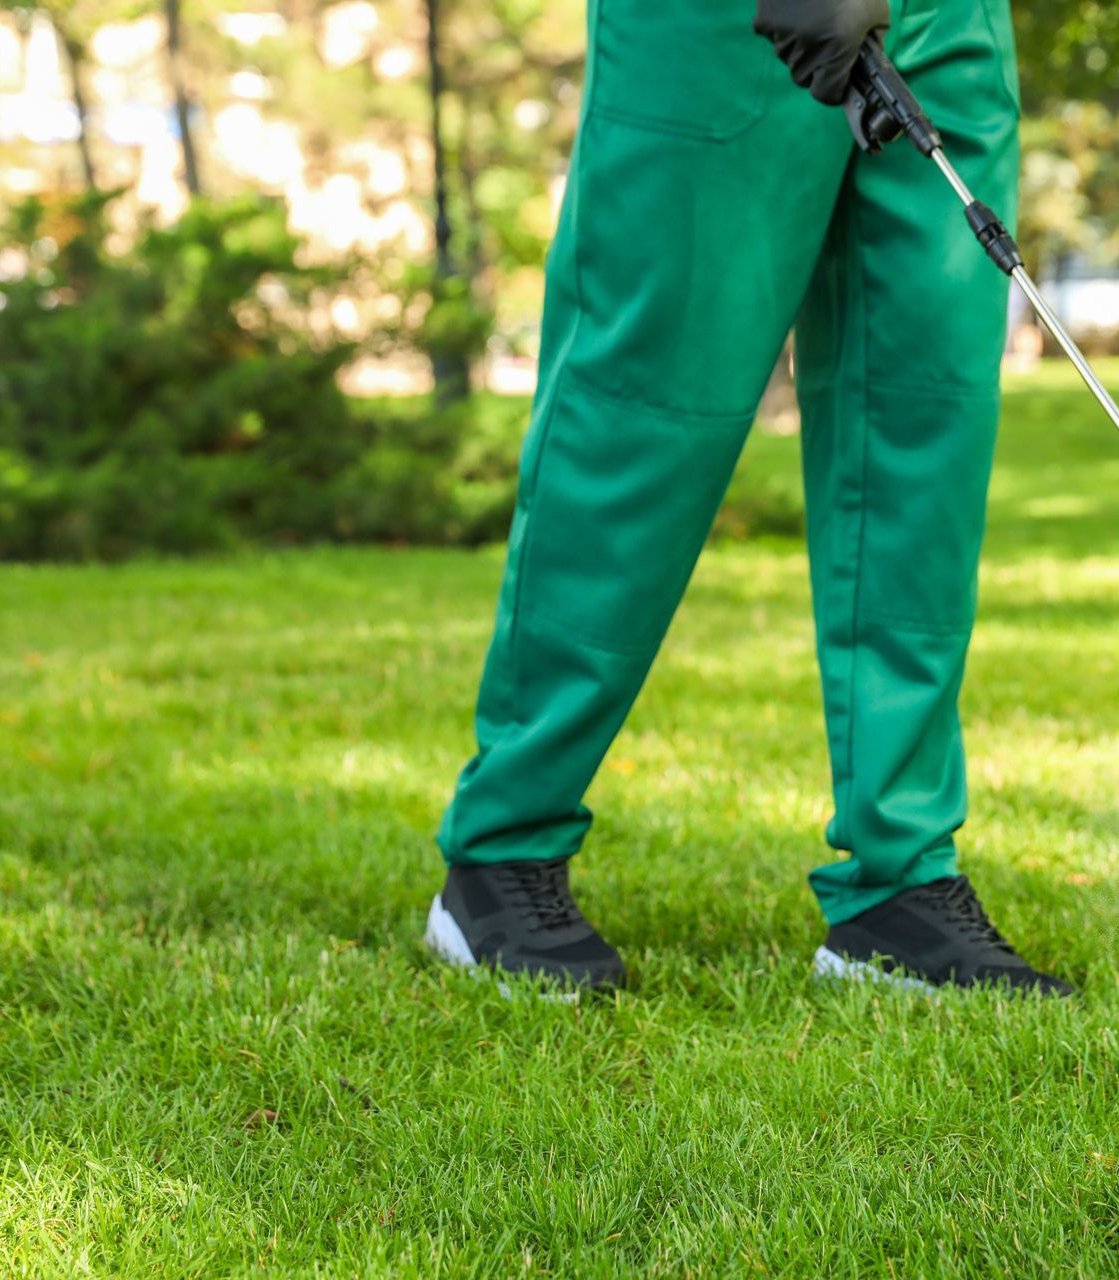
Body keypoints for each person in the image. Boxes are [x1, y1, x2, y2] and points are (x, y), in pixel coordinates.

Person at [423, 0, 1070, 997]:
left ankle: (898, 882)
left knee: (922, 418)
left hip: (951, 21)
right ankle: (503, 848)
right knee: (647, 408)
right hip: (728, 22)